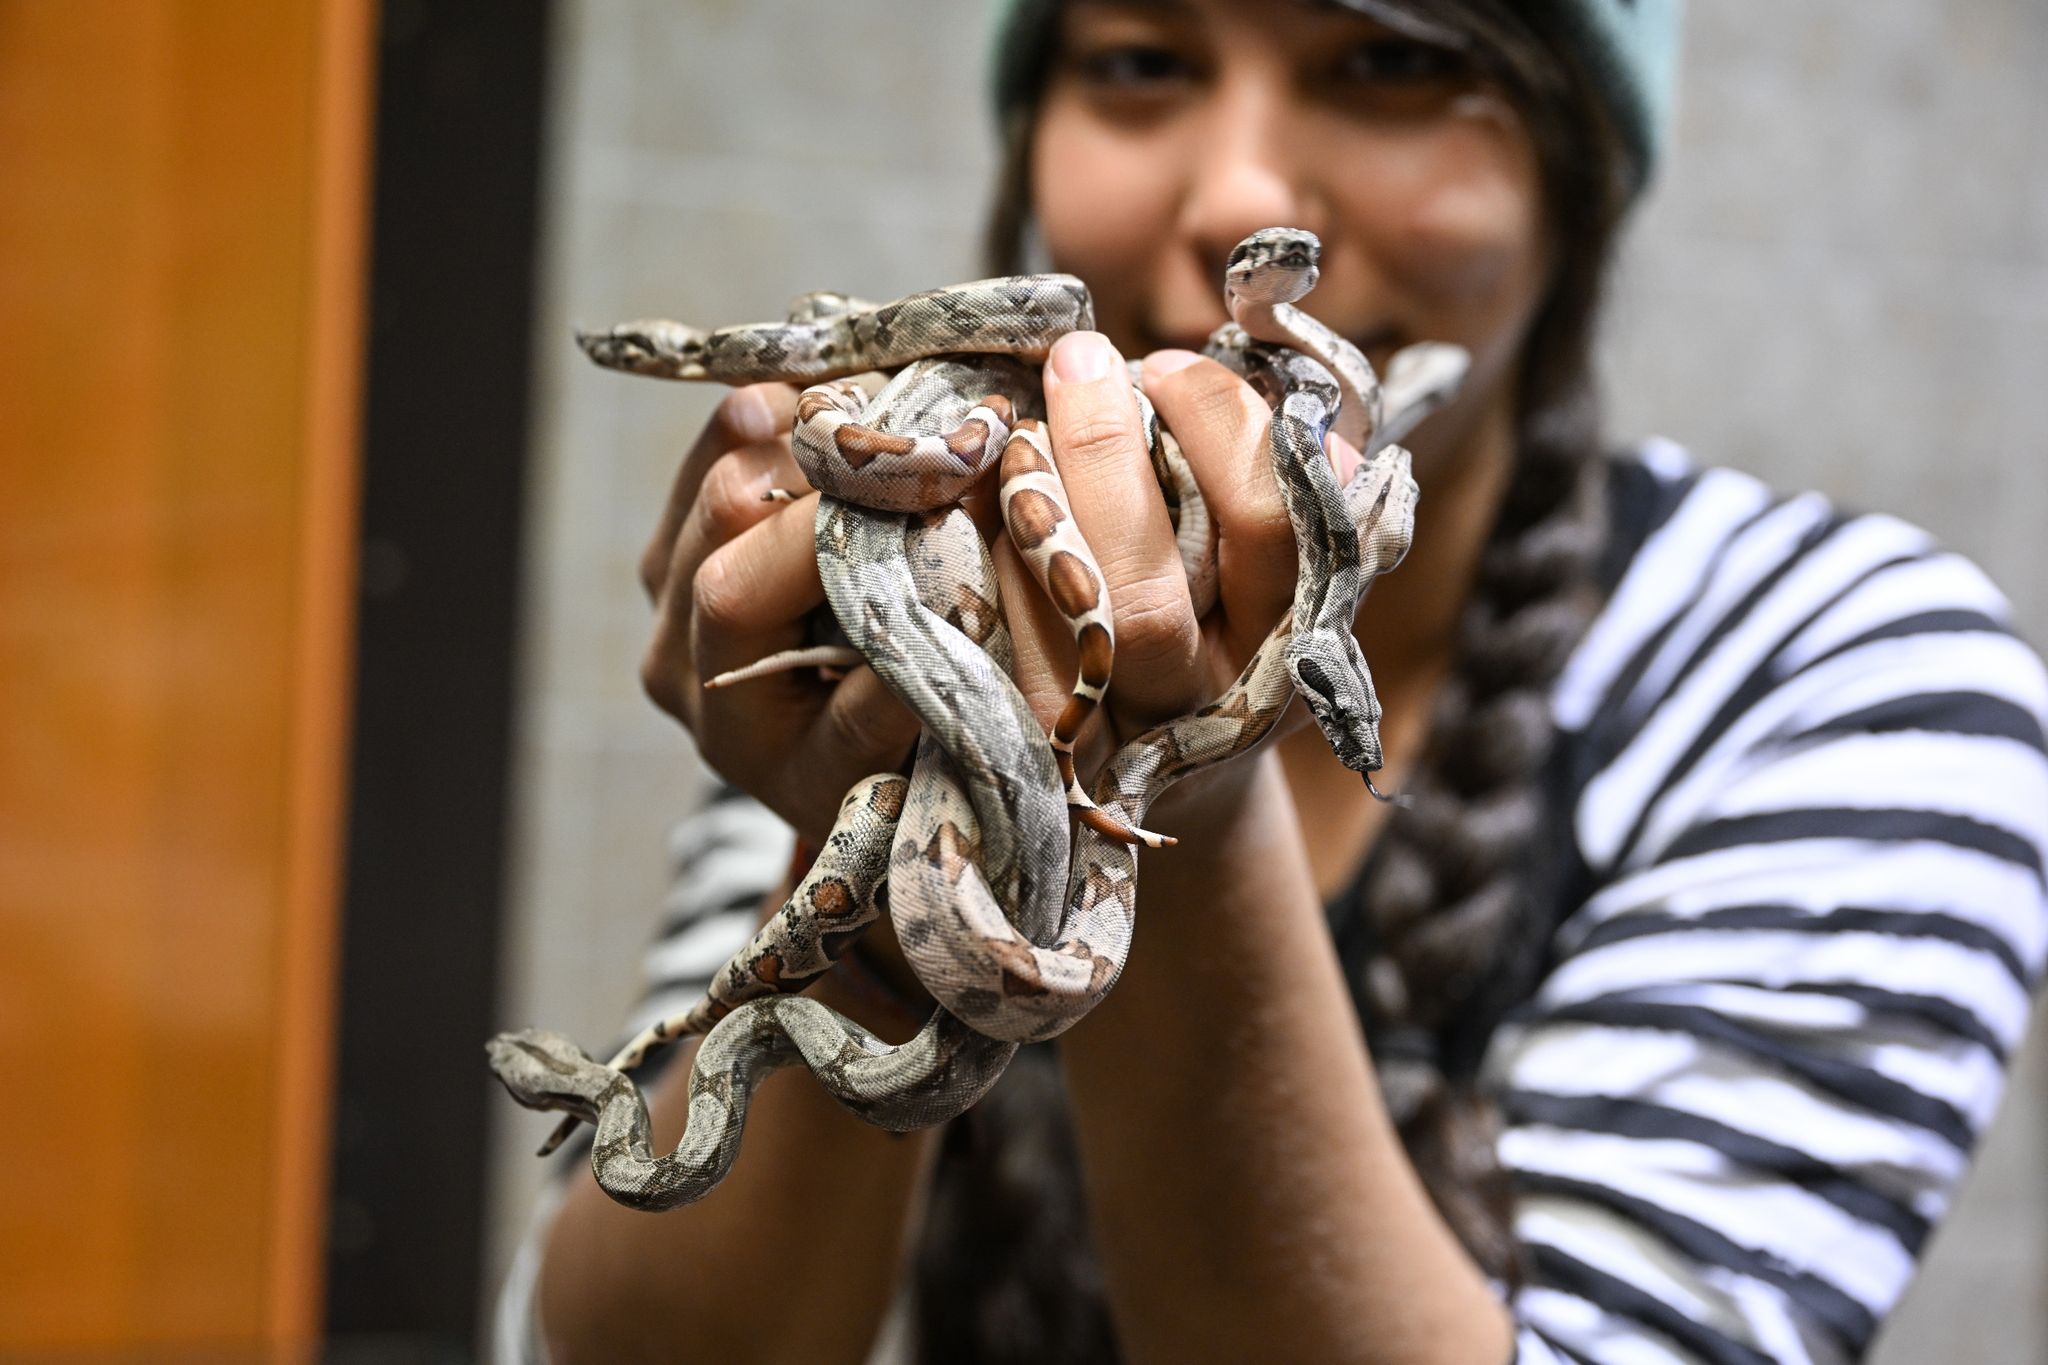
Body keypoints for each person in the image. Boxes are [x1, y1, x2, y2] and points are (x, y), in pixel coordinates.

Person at [498, 2, 2048, 1361]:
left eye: (1390, 58)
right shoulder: (890, 587)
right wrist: (882, 811)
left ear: (1577, 171)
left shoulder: (1842, 674)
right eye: (1139, 58)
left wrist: (1166, 774)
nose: (1237, 194)